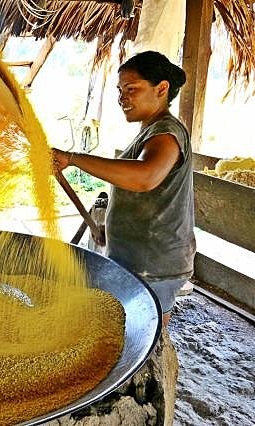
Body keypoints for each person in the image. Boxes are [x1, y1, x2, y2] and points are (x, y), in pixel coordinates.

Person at [52, 51, 196, 327]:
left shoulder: (166, 133)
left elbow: (145, 177)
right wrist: (110, 229)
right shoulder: (149, 130)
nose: (122, 98)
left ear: (161, 88)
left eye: (132, 89)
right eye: (120, 90)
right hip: (136, 253)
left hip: (155, 261)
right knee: (128, 325)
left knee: (146, 333)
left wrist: (73, 159)